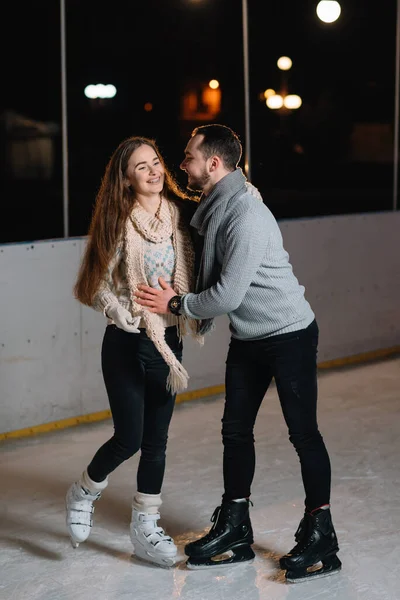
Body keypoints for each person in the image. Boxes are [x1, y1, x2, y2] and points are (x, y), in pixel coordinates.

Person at [134, 124, 341, 581]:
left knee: (303, 433)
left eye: (188, 157)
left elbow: (226, 296)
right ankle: (235, 526)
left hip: (288, 333)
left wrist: (176, 304)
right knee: (235, 431)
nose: (181, 164)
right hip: (251, 338)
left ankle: (321, 533)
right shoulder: (215, 206)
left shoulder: (244, 214)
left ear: (213, 164)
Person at [65, 136, 202, 567]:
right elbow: (95, 283)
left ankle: (146, 524)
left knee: (157, 440)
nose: (153, 171)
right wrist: (115, 309)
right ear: (126, 179)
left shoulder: (179, 216)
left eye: (156, 162)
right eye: (141, 166)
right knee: (130, 437)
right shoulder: (118, 220)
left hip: (168, 339)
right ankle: (84, 489)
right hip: (125, 340)